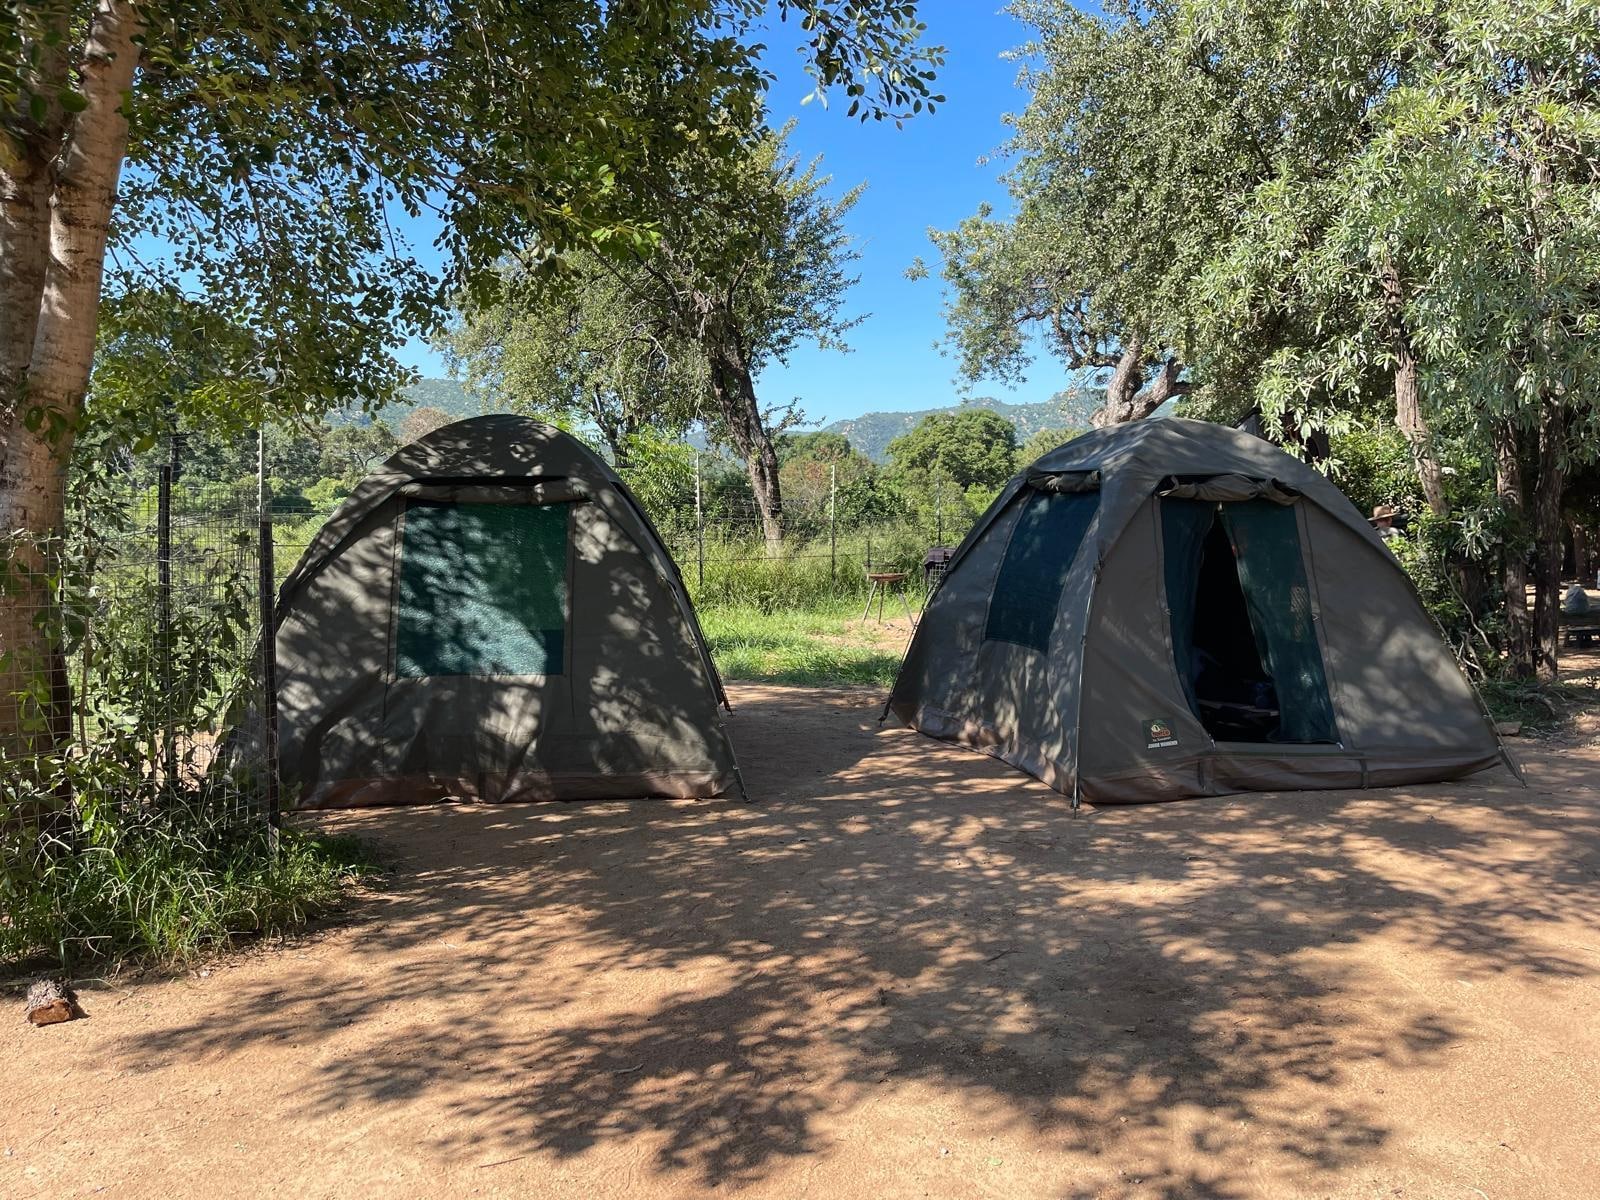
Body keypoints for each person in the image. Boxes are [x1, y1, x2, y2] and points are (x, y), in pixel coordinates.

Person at [1564, 581, 1595, 648]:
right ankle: (1587, 638)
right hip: (1589, 623)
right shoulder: (1585, 606)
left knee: (1577, 621)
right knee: (1585, 621)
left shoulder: (1570, 608)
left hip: (1572, 624)